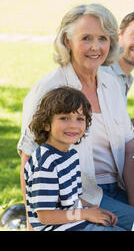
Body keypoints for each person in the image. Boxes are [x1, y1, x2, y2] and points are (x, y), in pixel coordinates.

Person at [18, 4, 134, 231]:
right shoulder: (48, 89)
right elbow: (28, 158)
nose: (95, 47)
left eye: (102, 38)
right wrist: (33, 226)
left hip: (116, 190)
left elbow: (128, 144)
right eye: (86, 38)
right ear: (67, 42)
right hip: (77, 198)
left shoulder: (111, 84)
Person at [25, 86, 125, 231]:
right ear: (46, 124)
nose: (73, 125)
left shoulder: (70, 155)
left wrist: (93, 209)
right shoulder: (46, 163)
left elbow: (72, 199)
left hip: (75, 222)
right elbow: (45, 216)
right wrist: (85, 214)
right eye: (64, 118)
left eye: (80, 118)